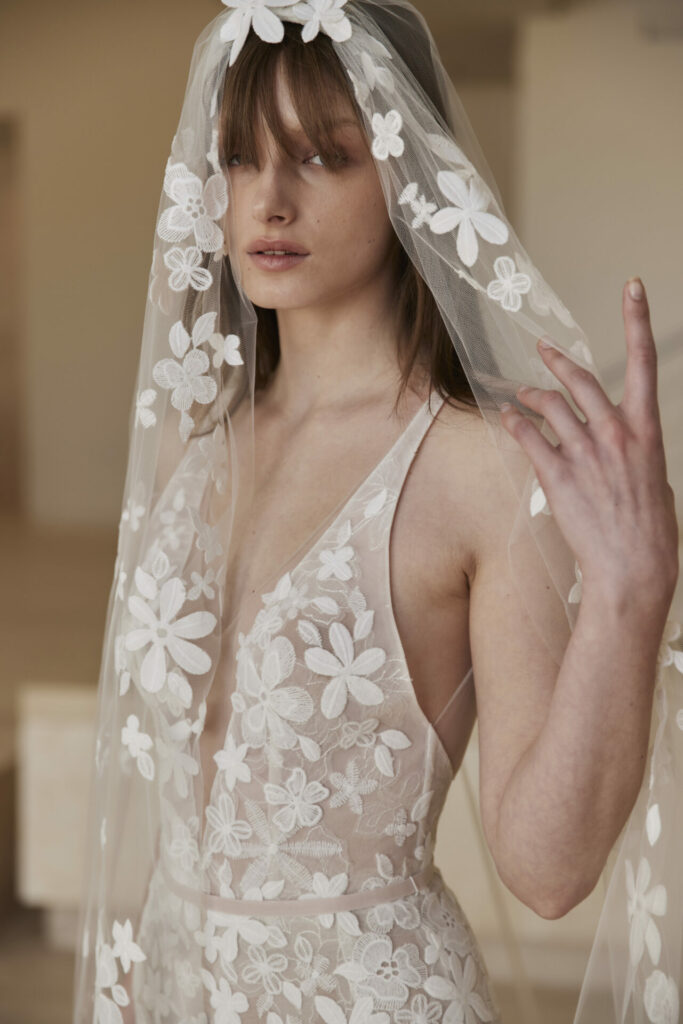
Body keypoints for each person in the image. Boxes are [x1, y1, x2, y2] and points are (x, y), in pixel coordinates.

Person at [72, 3, 683, 1022]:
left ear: (406, 171)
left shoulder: (477, 468)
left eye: (321, 156)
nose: (266, 199)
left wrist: (628, 592)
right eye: (235, 157)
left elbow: (545, 871)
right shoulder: (193, 443)